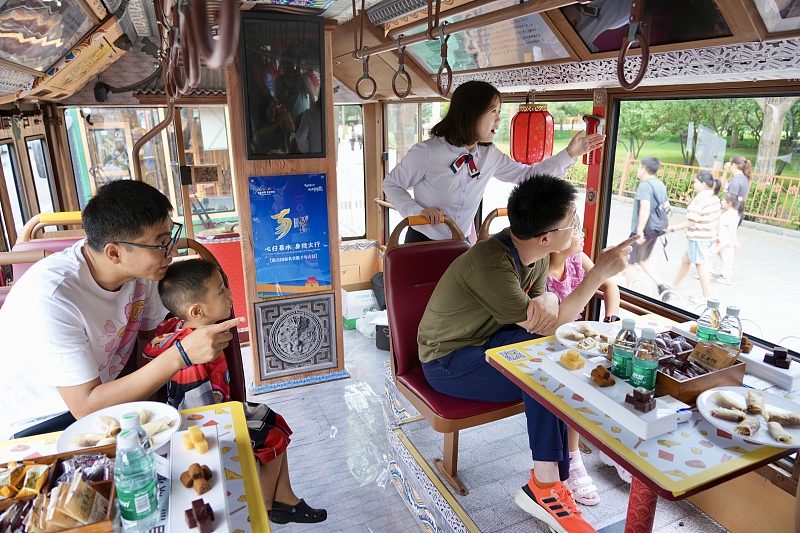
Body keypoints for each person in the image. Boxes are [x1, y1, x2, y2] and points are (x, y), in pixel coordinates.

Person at [418, 176, 637, 533]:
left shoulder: (530, 253)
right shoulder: (493, 264)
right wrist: (596, 274)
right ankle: (546, 486)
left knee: (550, 360)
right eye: (574, 222)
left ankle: (552, 477)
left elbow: (545, 311)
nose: (579, 227)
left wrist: (549, 297)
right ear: (545, 237)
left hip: (485, 339)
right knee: (541, 374)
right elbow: (548, 323)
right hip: (448, 360)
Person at [0, 180, 241, 440]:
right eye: (160, 244)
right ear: (114, 253)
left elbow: (148, 345)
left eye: (169, 237)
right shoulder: (53, 298)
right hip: (42, 424)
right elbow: (85, 406)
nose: (170, 252)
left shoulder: (143, 273)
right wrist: (181, 355)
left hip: (109, 407)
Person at [144, 259, 326, 524]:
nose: (229, 294)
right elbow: (201, 414)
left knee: (271, 418)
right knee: (270, 436)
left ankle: (284, 499)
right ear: (196, 311)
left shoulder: (190, 328)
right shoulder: (189, 357)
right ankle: (260, 509)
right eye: (221, 290)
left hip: (221, 409)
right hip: (201, 424)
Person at [382, 80, 605, 243]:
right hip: (422, 240)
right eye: (493, 111)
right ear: (472, 114)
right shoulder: (427, 152)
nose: (499, 119)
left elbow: (527, 177)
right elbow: (391, 184)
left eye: (499, 111)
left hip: (461, 242)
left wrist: (570, 154)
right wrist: (415, 211)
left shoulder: (490, 156)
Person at [546, 225, 625, 505]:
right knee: (577, 379)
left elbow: (609, 285)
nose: (583, 236)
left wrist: (611, 322)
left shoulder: (578, 260)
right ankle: (573, 456)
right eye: (577, 230)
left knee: (616, 369)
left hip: (578, 339)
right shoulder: (538, 272)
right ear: (555, 241)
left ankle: (611, 444)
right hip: (546, 340)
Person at [666, 171, 721, 304]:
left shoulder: (700, 199)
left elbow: (692, 221)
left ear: (703, 184)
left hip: (698, 238)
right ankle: (674, 284)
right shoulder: (715, 198)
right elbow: (718, 218)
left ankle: (706, 296)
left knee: (701, 265)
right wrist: (717, 234)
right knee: (686, 260)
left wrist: (672, 228)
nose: (694, 185)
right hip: (708, 237)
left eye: (695, 182)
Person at [624, 157, 671, 295]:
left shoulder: (644, 185)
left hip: (641, 230)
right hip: (654, 230)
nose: (638, 170)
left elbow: (645, 207)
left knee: (630, 262)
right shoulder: (660, 185)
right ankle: (661, 286)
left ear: (644, 170)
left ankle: (629, 293)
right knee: (642, 259)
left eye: (639, 167)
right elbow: (667, 206)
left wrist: (639, 231)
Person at [710, 192, 741, 285]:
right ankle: (727, 278)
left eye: (723, 200)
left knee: (709, 253)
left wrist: (717, 236)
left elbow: (727, 228)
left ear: (729, 203)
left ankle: (706, 272)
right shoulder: (735, 214)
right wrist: (734, 240)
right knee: (727, 258)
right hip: (729, 240)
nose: (721, 201)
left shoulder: (727, 215)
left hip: (722, 239)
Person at [252, 90, 295, 154]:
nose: (272, 109)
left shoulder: (280, 119)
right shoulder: (260, 122)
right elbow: (261, 131)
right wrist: (277, 122)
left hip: (283, 153)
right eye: (269, 107)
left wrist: (289, 119)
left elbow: (292, 130)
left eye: (273, 106)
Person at [724, 156, 753, 226]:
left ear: (733, 165)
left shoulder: (736, 181)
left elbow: (732, 198)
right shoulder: (744, 178)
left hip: (731, 213)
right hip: (738, 213)